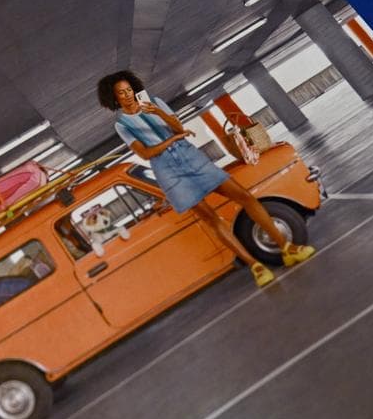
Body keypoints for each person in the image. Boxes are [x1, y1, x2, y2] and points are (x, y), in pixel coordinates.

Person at [96, 70, 315, 288]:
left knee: (245, 197)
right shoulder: (122, 125)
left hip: (191, 157)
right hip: (168, 171)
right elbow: (145, 153)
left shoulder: (155, 102)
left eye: (129, 90)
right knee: (212, 218)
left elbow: (178, 128)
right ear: (114, 98)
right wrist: (173, 140)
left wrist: (160, 113)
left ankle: (287, 249)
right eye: (121, 93)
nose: (128, 95)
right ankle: (256, 266)